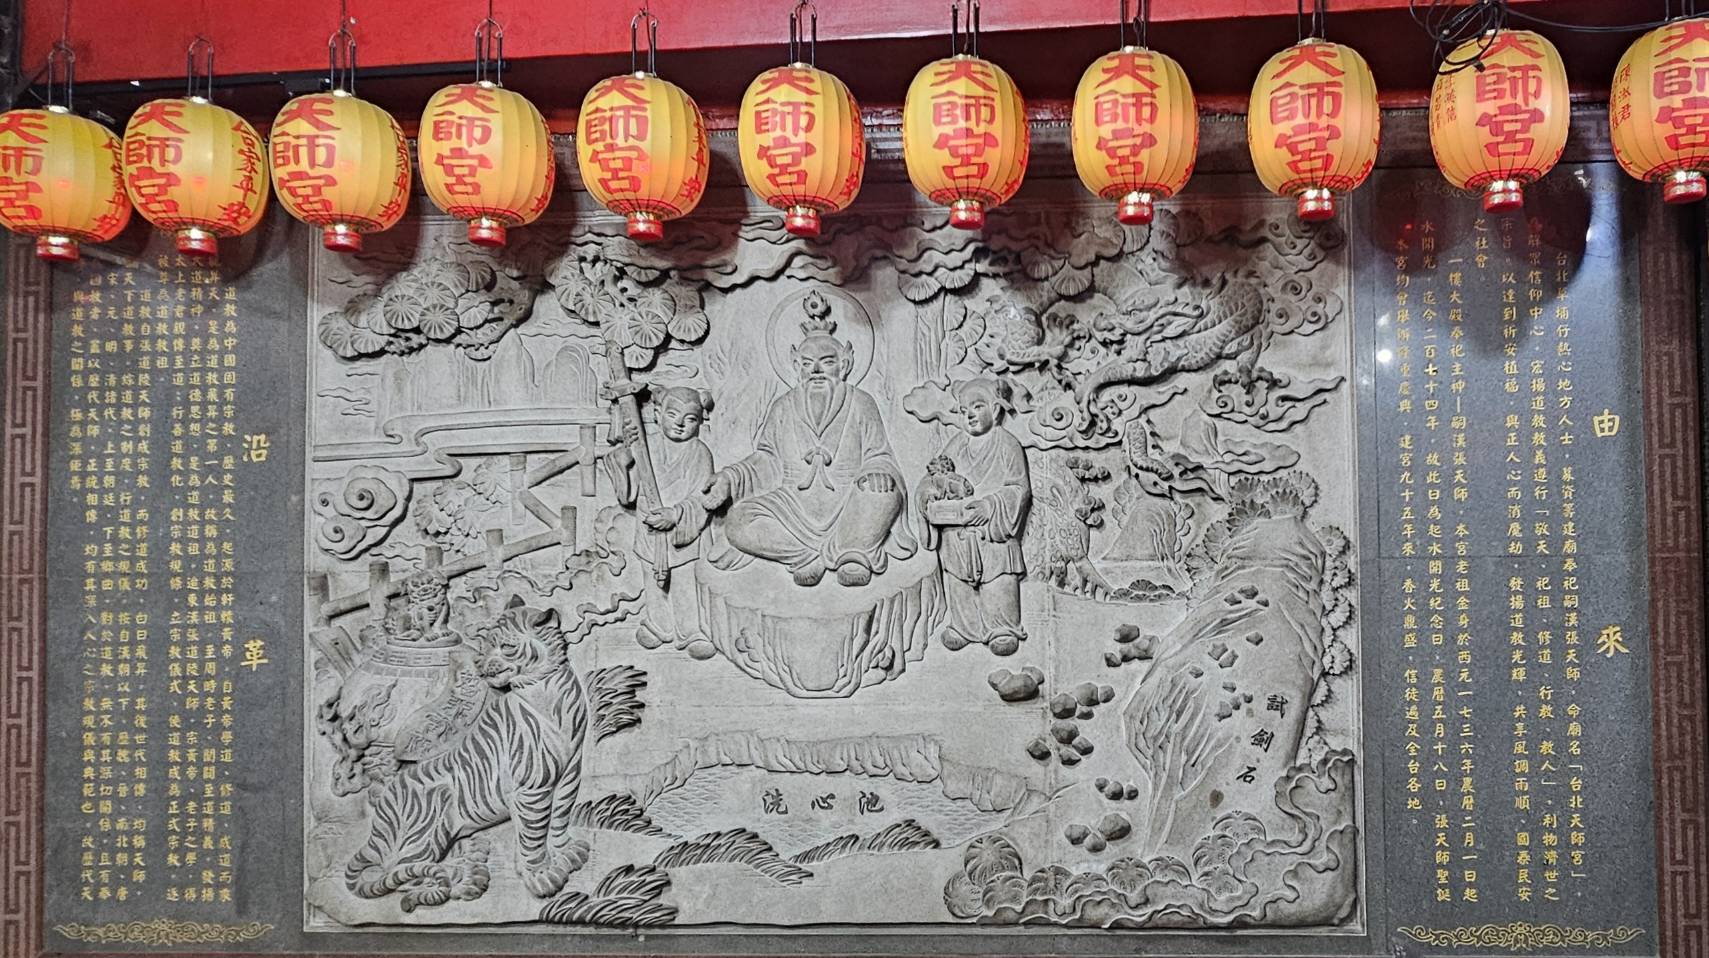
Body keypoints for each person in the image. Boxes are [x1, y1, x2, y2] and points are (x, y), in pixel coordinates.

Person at [701, 305, 914, 587]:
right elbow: (767, 459)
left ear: (844, 364)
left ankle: (852, 552)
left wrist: (877, 471)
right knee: (738, 521)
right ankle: (806, 555)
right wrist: (730, 478)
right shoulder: (783, 406)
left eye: (827, 362)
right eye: (806, 363)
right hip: (792, 505)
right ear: (795, 365)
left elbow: (878, 453)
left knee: (885, 495)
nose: (815, 370)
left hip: (849, 502)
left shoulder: (861, 403)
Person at [922, 377, 1031, 655]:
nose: (969, 415)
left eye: (977, 407)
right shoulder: (956, 445)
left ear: (995, 410)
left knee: (998, 577)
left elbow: (1019, 489)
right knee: (957, 579)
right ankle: (964, 626)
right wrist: (930, 495)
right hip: (958, 535)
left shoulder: (1007, 444)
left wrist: (990, 506)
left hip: (992, 533)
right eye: (963, 410)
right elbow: (934, 476)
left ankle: (1002, 627)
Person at [607, 386, 716, 652]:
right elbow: (630, 493)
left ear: (700, 422)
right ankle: (658, 624)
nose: (680, 424)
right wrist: (624, 460)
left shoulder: (699, 452)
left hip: (684, 532)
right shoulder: (647, 447)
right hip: (649, 526)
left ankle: (691, 631)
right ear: (657, 414)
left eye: (690, 419)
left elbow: (702, 496)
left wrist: (676, 514)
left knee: (684, 580)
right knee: (651, 577)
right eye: (672, 415)